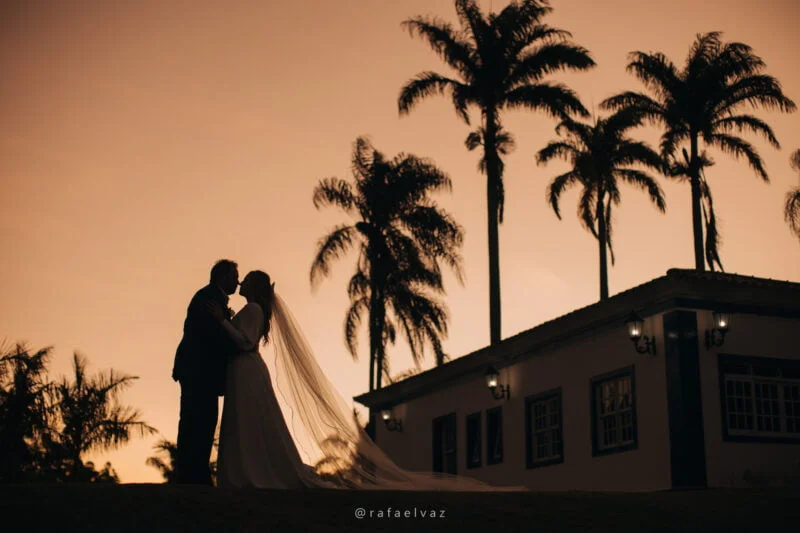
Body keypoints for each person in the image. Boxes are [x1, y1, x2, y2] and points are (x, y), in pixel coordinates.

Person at [207, 269, 528, 492]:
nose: (242, 281)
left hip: (247, 369)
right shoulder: (253, 310)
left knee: (248, 422)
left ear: (256, 286)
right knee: (250, 422)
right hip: (245, 371)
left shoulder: (251, 310)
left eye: (246, 278)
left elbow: (245, 341)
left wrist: (222, 322)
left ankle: (248, 473)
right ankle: (251, 471)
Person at [172, 259, 240, 485]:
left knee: (200, 420)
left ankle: (193, 472)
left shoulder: (212, 297)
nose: (238, 282)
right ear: (222, 277)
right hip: (198, 371)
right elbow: (211, 335)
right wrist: (239, 347)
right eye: (234, 276)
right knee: (197, 420)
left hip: (199, 370)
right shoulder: (209, 298)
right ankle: (192, 474)